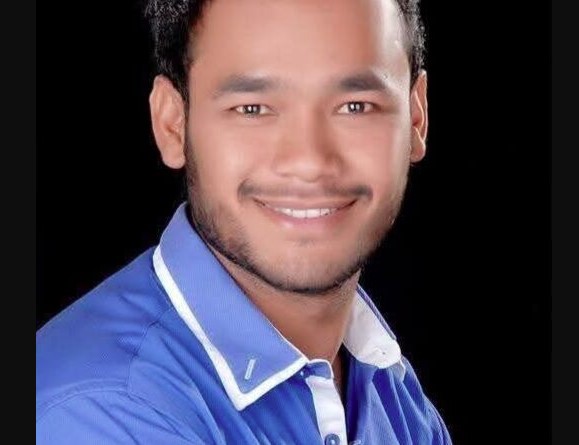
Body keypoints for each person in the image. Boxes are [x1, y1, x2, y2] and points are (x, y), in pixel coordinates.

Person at [36, 0, 452, 443]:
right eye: (253, 109)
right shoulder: (104, 412)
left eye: (356, 106)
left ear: (416, 118)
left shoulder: (390, 389)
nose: (309, 162)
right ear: (173, 124)